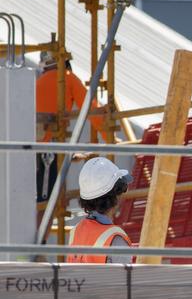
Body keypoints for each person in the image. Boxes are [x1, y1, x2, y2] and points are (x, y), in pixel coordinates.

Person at [36, 51, 108, 202]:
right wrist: (111, 138)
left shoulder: (38, 82)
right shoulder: (68, 78)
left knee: (44, 201)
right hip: (50, 149)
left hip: (34, 147)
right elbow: (91, 109)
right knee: (49, 203)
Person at [67, 157, 133, 264]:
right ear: (115, 195)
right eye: (122, 190)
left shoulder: (76, 231)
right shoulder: (116, 239)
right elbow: (124, 280)